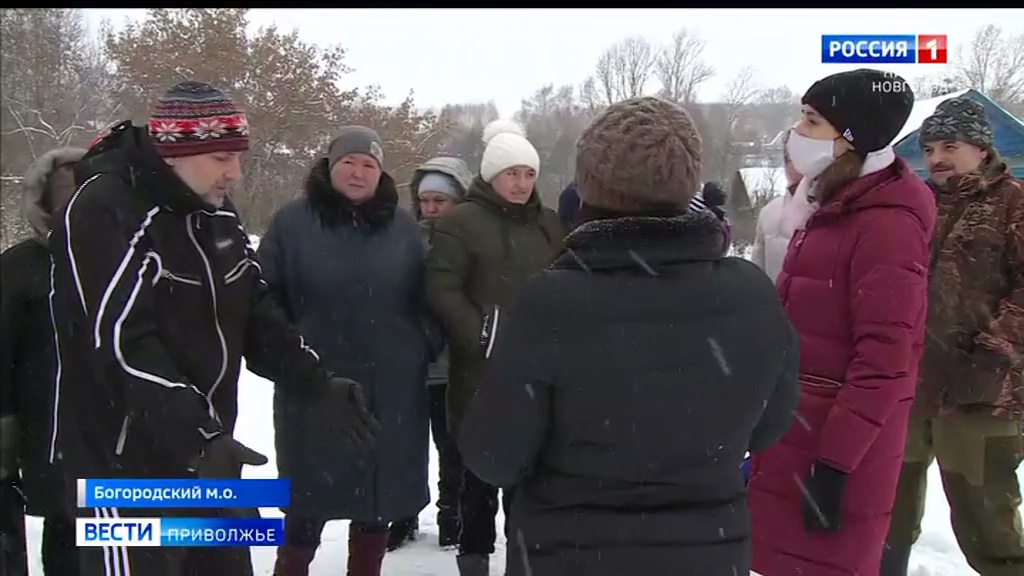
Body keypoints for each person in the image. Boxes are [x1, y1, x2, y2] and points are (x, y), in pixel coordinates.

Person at [458, 96, 800, 576]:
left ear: (590, 185)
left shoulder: (552, 302)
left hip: (569, 555)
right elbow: (772, 424)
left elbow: (494, 456)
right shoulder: (749, 292)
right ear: (688, 182)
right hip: (707, 554)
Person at [47, 81, 378, 576]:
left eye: (238, 157)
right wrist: (198, 433)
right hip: (125, 469)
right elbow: (119, 345)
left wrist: (316, 380)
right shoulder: (102, 208)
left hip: (211, 460)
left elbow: (256, 309)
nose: (235, 173)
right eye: (223, 157)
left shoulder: (215, 211)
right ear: (177, 150)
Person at [746, 69, 936, 576]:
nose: (796, 133)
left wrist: (834, 465)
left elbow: (885, 361)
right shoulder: (834, 205)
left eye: (811, 120)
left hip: (832, 453)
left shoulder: (886, 225)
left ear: (851, 137)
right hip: (796, 438)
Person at [263, 126, 440, 576]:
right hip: (314, 385)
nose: (358, 172)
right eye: (349, 162)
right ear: (329, 165)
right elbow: (263, 301)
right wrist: (292, 354)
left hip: (390, 387)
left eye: (369, 165)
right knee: (305, 505)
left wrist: (418, 347)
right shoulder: (292, 224)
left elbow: (431, 298)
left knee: (375, 505)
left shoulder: (402, 228)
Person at [883, 97, 1024, 576]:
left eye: (950, 145)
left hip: (983, 394)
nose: (937, 157)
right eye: (929, 148)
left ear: (982, 150)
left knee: (989, 526)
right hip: (910, 387)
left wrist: (998, 344)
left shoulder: (1014, 203)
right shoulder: (915, 205)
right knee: (888, 512)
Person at [425, 119, 564, 576]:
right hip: (477, 375)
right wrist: (483, 333)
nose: (521, 183)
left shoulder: (549, 224)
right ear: (490, 175)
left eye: (528, 173)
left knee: (529, 481)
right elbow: (442, 288)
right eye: (512, 174)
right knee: (478, 479)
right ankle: (475, 559)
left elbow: (566, 283)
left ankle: (524, 562)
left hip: (538, 374)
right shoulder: (461, 222)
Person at [1, 147, 85, 576]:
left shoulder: (126, 262)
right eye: (66, 199)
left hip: (114, 437)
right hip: (43, 433)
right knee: (64, 529)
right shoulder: (21, 267)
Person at [387, 156, 474, 552]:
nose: (432, 208)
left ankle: (451, 515)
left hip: (452, 363)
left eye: (441, 200)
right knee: (404, 443)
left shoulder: (470, 241)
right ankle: (402, 513)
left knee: (451, 445)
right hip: (408, 360)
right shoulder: (403, 239)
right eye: (426, 200)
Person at [750, 125, 810, 282]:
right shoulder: (769, 213)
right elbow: (757, 273)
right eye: (788, 159)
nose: (791, 166)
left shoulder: (832, 214)